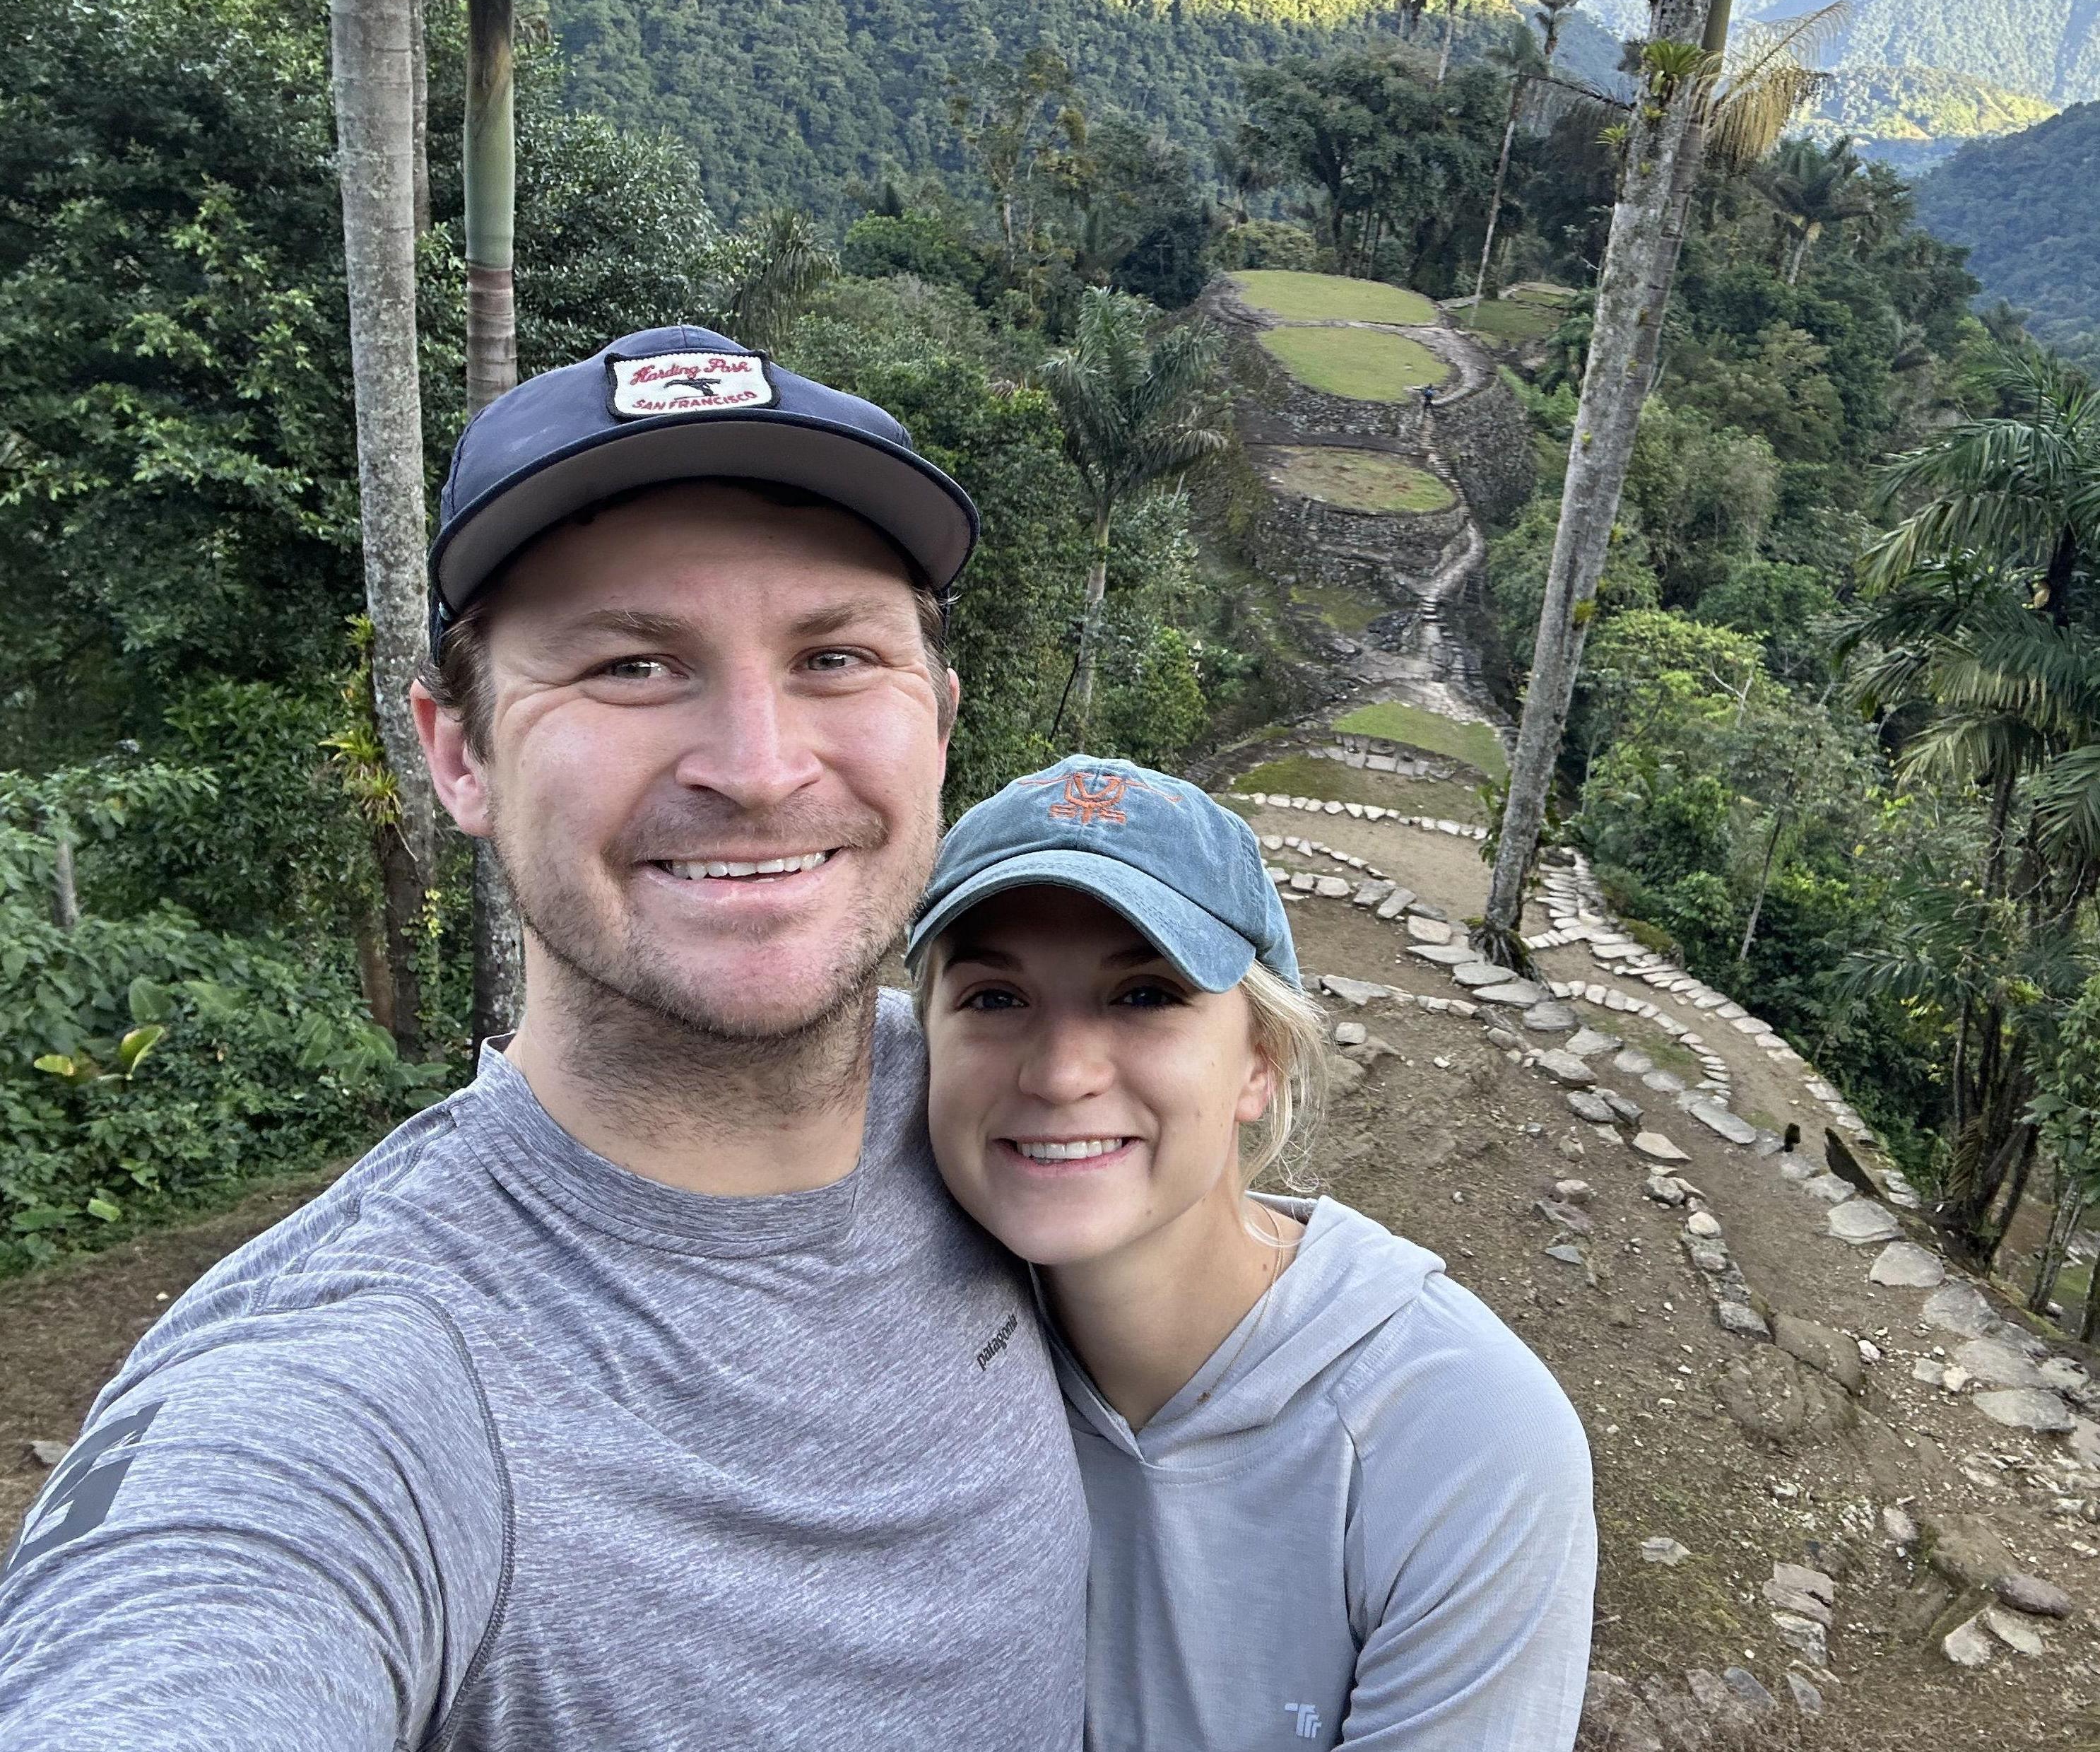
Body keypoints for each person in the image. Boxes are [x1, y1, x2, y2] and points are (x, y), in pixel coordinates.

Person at [0, 328, 1088, 1750]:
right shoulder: (346, 1388)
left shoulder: (1022, 1111)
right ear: (460, 753)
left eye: (835, 656)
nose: (760, 768)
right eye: (631, 666)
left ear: (938, 722)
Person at [909, 754, 1596, 1751]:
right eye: (993, 999)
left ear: (1260, 1064)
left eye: (1145, 995)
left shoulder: (1461, 1437)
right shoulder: (901, 1342)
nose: (1060, 1074)